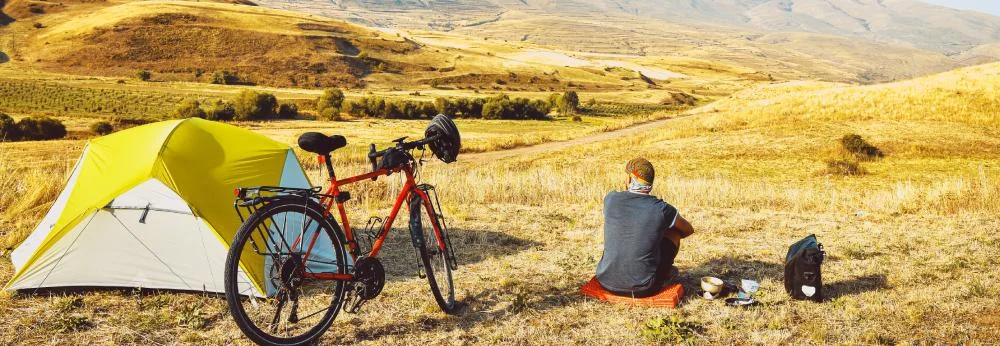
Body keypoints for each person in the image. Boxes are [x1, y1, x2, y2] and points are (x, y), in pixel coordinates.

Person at [596, 157, 694, 297]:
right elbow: (688, 230)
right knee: (673, 234)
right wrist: (658, 230)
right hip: (644, 288)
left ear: (630, 180)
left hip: (605, 281)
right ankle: (664, 271)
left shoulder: (610, 199)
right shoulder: (661, 209)